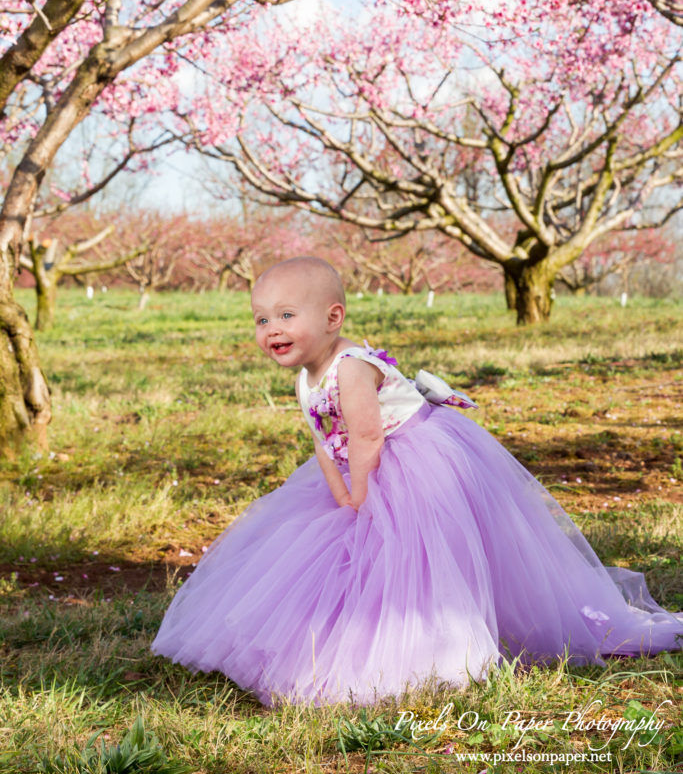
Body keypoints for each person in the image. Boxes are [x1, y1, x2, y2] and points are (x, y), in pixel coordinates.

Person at [151, 256, 683, 706]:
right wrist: (340, 492)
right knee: (341, 549)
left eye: (287, 315)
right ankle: (342, 636)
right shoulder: (304, 377)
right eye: (262, 319)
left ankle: (439, 641)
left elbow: (366, 436)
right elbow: (322, 435)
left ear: (333, 317)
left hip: (414, 456)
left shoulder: (352, 368)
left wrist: (359, 493)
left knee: (418, 552)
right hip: (357, 460)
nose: (272, 329)